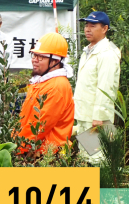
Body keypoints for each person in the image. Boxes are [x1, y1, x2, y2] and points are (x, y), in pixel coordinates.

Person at [74, 11, 121, 163]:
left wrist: (99, 117)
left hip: (95, 118)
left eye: (93, 26)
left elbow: (106, 86)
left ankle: (99, 187)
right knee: (85, 156)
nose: (87, 29)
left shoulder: (107, 53)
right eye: (86, 25)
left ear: (104, 28)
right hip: (84, 114)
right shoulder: (87, 51)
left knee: (97, 159)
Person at [16, 33, 74, 155]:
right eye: (34, 55)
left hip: (46, 155)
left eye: (40, 57)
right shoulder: (43, 81)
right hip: (33, 150)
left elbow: (38, 126)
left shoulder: (56, 86)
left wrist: (16, 148)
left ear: (55, 61)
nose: (34, 60)